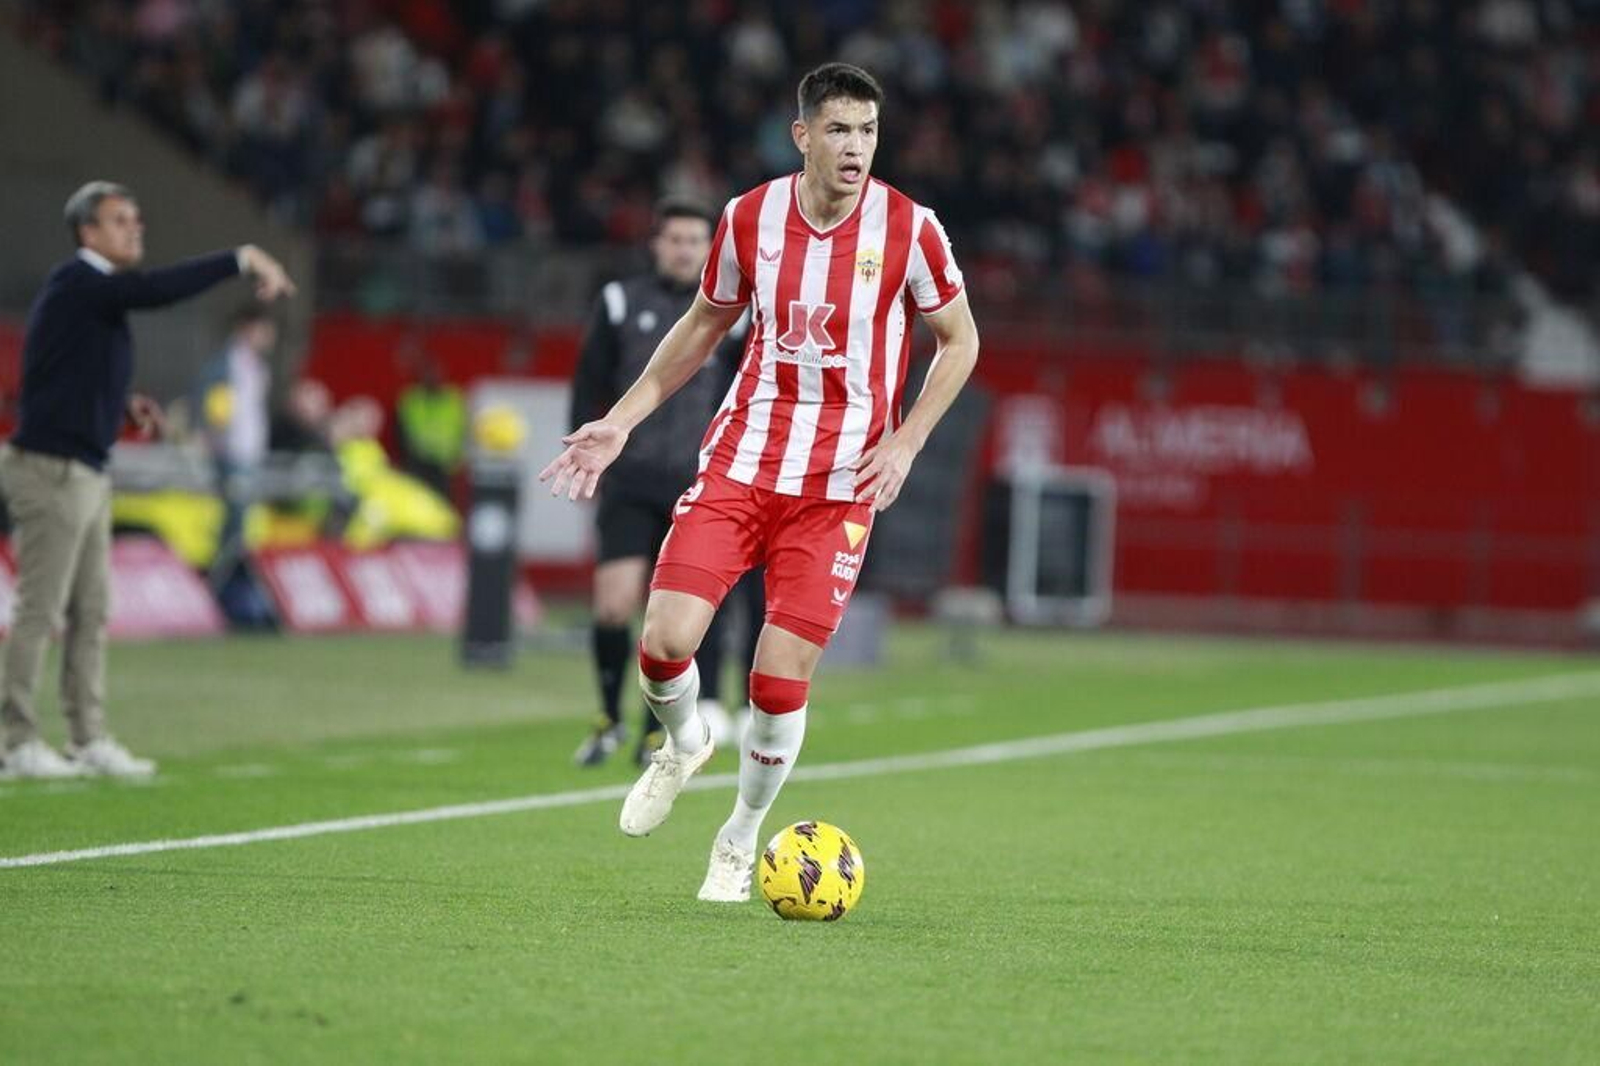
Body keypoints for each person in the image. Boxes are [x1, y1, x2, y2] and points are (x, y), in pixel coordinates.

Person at [540, 63, 980, 901]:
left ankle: (740, 836)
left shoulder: (912, 228)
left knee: (777, 680)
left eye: (869, 131)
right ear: (803, 135)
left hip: (840, 485)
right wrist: (621, 420)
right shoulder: (748, 217)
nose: (856, 148)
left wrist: (909, 441)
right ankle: (682, 743)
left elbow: (959, 341)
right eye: (841, 130)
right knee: (665, 640)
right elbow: (704, 324)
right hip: (742, 462)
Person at [0, 181, 295, 778]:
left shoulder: (87, 297)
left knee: (90, 609)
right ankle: (15, 741)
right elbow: (154, 291)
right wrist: (239, 258)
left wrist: (118, 406)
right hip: (51, 470)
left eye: (136, 219)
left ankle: (86, 738)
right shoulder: (80, 281)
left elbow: (57, 372)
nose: (135, 229)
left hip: (83, 468)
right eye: (119, 220)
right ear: (88, 232)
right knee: (42, 609)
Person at [566, 199, 764, 769]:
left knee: (674, 618)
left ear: (711, 248)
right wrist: (588, 455)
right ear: (656, 244)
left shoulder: (736, 316)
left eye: (694, 240)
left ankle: (661, 732)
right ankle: (607, 718)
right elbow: (587, 386)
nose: (683, 249)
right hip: (629, 481)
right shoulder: (620, 301)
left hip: (699, 485)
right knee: (613, 605)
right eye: (673, 239)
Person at [196, 304, 278, 592]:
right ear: (248, 329)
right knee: (234, 523)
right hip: (231, 454)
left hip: (249, 454)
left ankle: (230, 583)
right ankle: (218, 587)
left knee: (242, 524)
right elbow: (214, 406)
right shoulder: (228, 364)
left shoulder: (256, 367)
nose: (270, 337)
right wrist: (214, 438)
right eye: (264, 330)